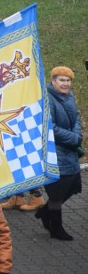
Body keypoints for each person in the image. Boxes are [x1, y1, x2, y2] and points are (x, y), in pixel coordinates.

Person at [36, 66, 82, 241]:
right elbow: (50, 127)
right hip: (55, 151)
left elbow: (76, 117)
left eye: (68, 80)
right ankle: (55, 227)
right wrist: (73, 137)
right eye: (61, 80)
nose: (65, 84)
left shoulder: (69, 96)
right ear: (53, 81)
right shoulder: (48, 99)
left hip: (69, 149)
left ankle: (45, 211)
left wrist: (77, 135)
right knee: (57, 191)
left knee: (73, 186)